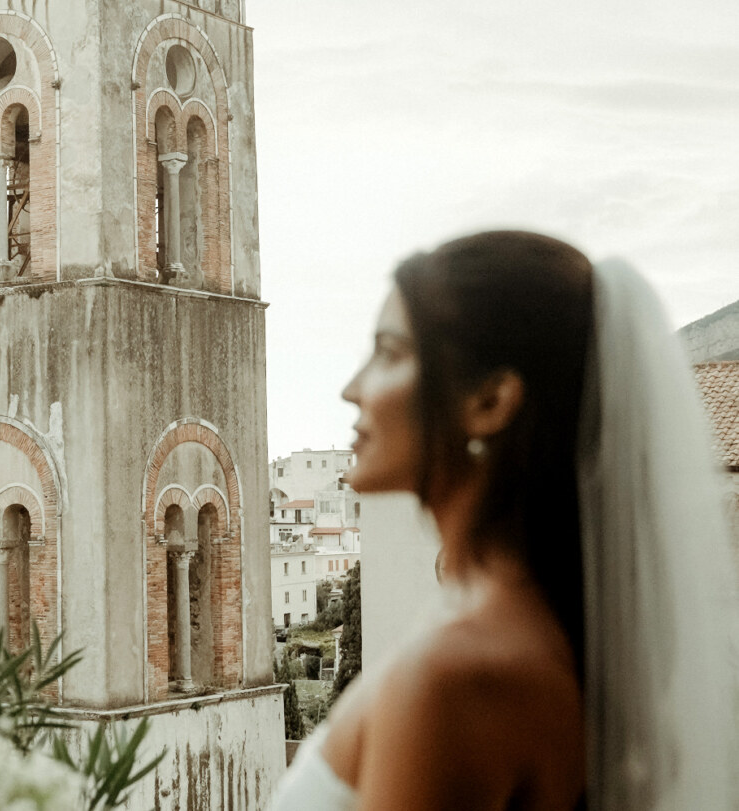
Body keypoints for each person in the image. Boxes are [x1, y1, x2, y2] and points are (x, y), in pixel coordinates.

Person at [272, 231, 739, 810]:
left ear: (491, 401)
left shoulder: (453, 679)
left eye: (390, 352)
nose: (351, 389)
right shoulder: (540, 635)